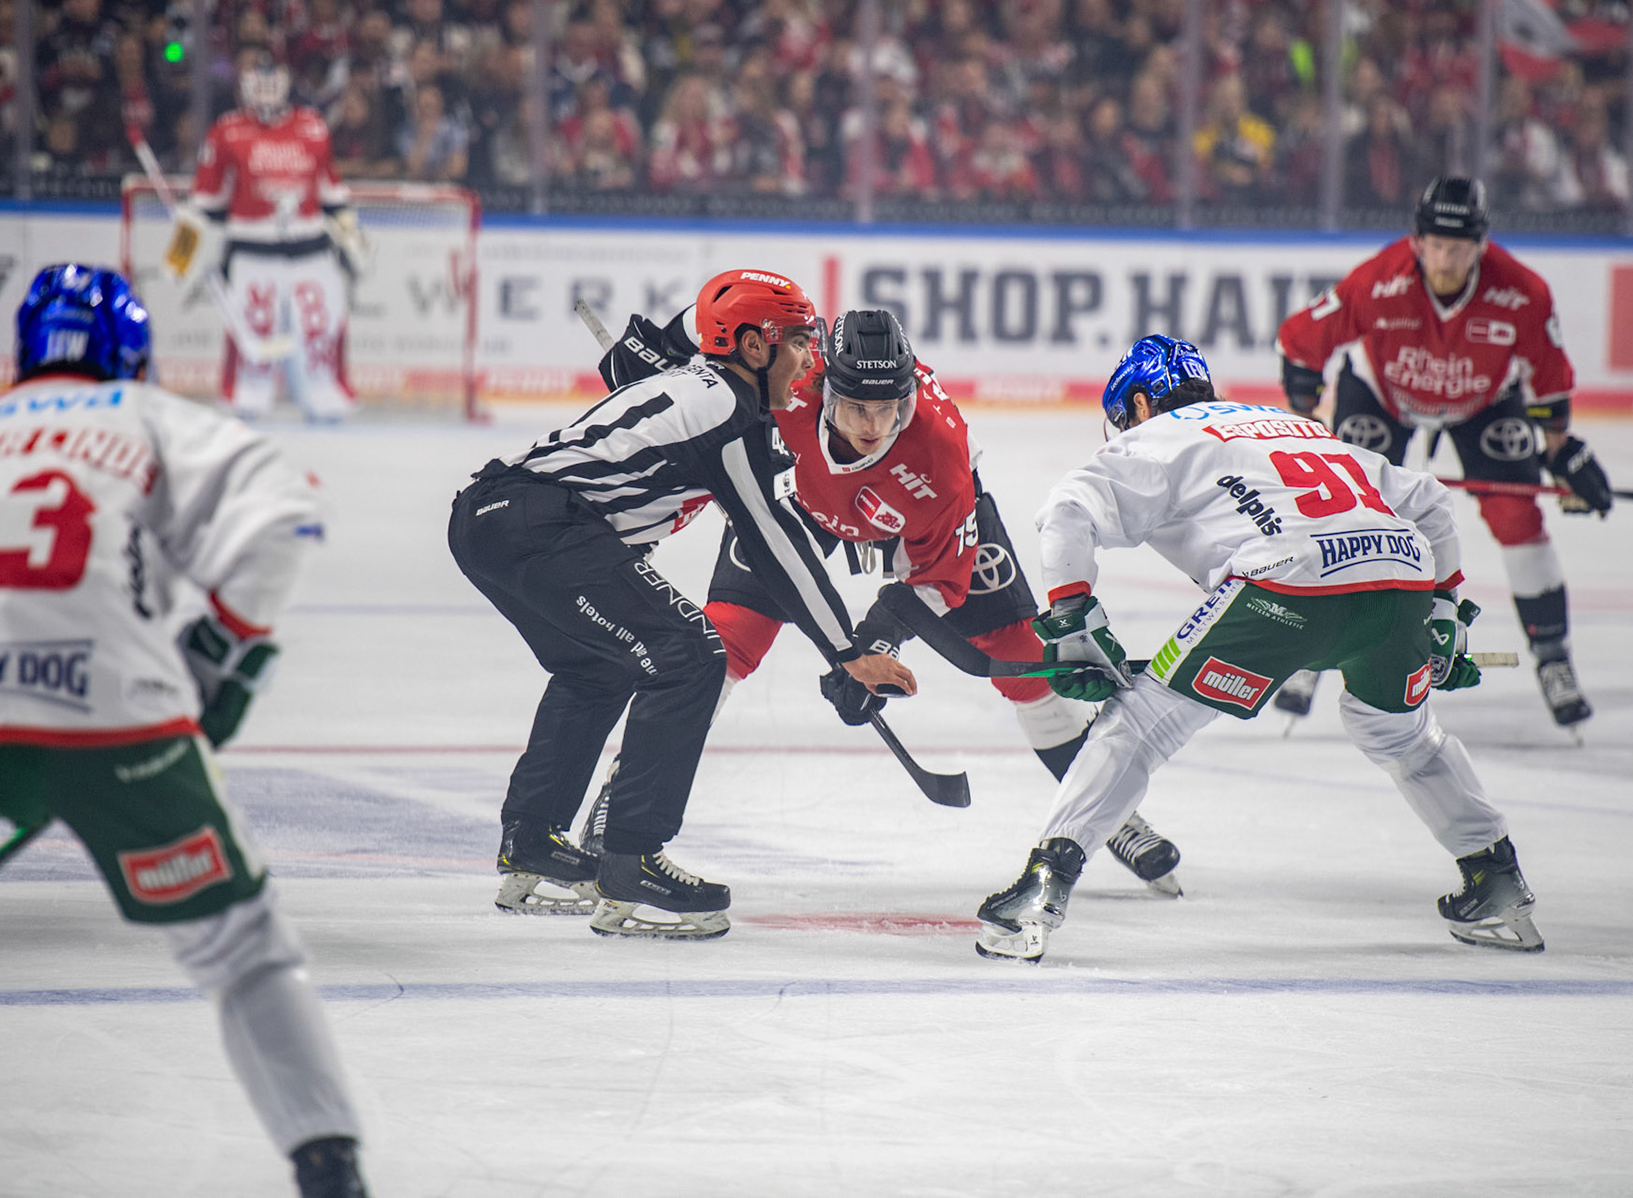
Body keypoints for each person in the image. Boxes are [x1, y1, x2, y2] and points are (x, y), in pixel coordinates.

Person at [0, 266, 369, 1197]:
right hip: (114, 718)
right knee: (242, 950)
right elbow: (278, 518)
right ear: (128, 354)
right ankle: (329, 1168)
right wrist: (223, 655)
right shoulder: (146, 416)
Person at [973, 335, 1542, 964]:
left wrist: (1074, 619)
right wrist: (1443, 609)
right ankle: (1497, 878)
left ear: (1138, 403)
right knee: (1399, 733)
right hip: (1400, 582)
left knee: (1138, 725)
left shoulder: (1158, 436)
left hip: (1284, 590)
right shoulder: (1294, 426)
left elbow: (1066, 510)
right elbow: (1429, 500)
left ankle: (1043, 884)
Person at [447, 270, 914, 940]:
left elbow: (677, 346)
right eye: (798, 342)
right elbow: (774, 541)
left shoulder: (701, 389)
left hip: (487, 516)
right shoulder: (728, 410)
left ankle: (534, 841)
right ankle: (632, 858)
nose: (811, 358)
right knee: (693, 654)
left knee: (597, 669)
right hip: (542, 525)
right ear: (754, 347)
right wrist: (847, 650)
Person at [685, 306, 1183, 894]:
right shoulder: (791, 375)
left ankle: (1111, 814)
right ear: (824, 392)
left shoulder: (940, 458)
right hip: (802, 497)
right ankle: (623, 806)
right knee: (727, 641)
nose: (872, 425)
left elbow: (939, 582)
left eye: (889, 408)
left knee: (1022, 658)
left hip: (918, 512)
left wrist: (872, 642)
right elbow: (711, 365)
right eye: (855, 408)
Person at [1272, 176, 1611, 733]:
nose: (1445, 259)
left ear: (1482, 245)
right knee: (1341, 516)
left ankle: (1553, 656)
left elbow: (1548, 381)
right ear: (1416, 240)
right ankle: (1317, 648)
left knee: (1518, 516)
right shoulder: (1378, 282)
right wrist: (1309, 423)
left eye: (1459, 248)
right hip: (1383, 395)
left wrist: (1562, 454)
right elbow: (1299, 344)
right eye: (1434, 245)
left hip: (1483, 402)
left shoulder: (1521, 291)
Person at [167, 49, 371, 424]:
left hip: (312, 254)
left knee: (320, 326)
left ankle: (322, 394)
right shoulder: (227, 131)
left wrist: (354, 241)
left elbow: (332, 195)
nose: (264, 89)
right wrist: (180, 252)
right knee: (254, 329)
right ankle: (247, 398)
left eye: (271, 78)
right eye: (256, 80)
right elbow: (204, 203)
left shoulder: (313, 127)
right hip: (252, 254)